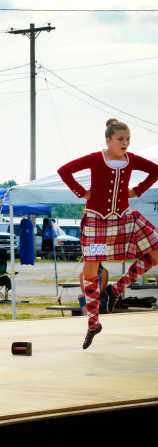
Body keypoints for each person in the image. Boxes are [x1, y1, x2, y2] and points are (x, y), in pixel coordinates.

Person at [58, 118, 158, 349]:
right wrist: (81, 192)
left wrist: (138, 191)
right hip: (96, 222)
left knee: (155, 255)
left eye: (128, 139)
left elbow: (155, 170)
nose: (125, 143)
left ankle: (117, 288)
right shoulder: (96, 158)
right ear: (108, 140)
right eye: (120, 139)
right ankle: (93, 323)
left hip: (124, 218)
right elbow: (64, 171)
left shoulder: (130, 160)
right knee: (90, 272)